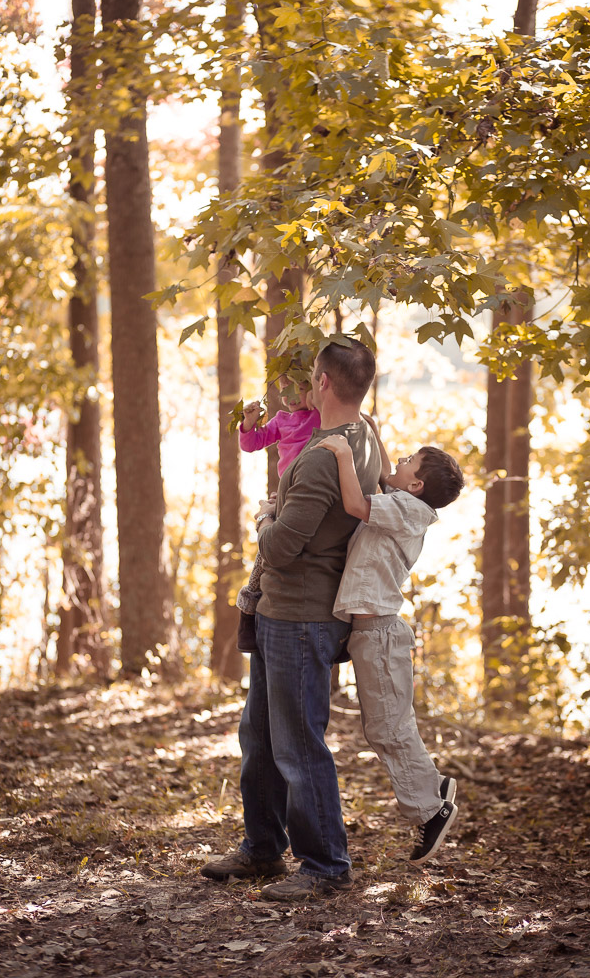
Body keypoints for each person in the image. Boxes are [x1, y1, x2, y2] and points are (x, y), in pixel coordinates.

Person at [201, 339, 380, 901]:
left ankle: (326, 865)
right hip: (282, 611)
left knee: (299, 744)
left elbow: (279, 547)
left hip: (301, 616)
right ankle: (261, 849)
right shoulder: (365, 435)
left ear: (323, 383)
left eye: (310, 378)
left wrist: (265, 515)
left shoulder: (325, 457)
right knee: (259, 734)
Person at [314, 423, 465, 866]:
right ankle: (432, 787)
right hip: (371, 633)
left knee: (387, 728)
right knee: (389, 724)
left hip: (378, 634)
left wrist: (343, 453)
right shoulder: (404, 501)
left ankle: (431, 811)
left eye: (407, 462)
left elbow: (357, 502)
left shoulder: (406, 509)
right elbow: (384, 473)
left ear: (416, 484)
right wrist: (372, 431)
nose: (396, 463)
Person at [236, 375, 321, 650]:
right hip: (285, 494)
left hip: (310, 490)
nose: (292, 397)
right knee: (264, 557)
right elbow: (252, 444)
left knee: (289, 545)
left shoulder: (320, 416)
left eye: (300, 388)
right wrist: (249, 423)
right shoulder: (282, 420)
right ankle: (248, 613)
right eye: (285, 391)